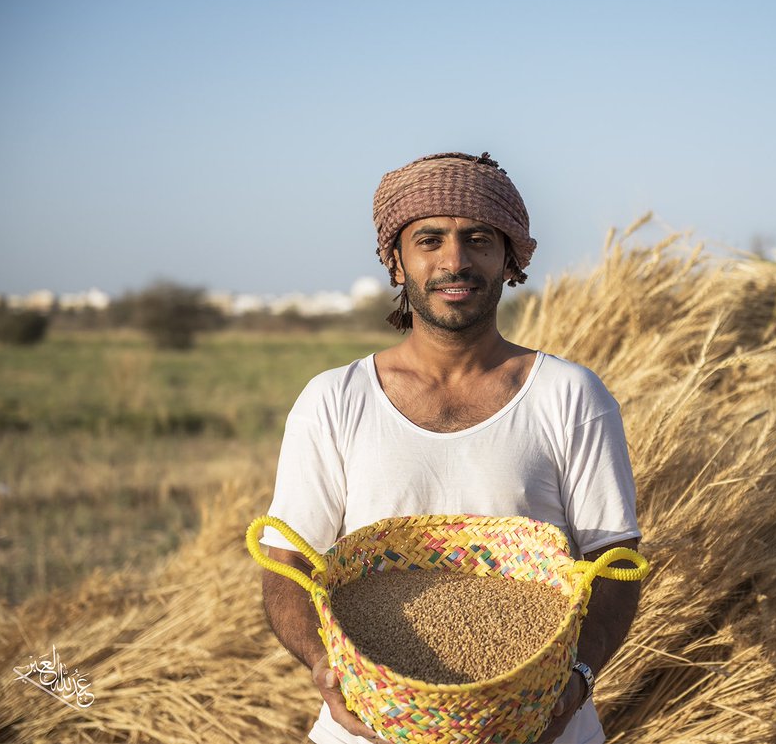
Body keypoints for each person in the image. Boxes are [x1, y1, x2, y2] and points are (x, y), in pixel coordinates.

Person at [258, 151, 642, 744]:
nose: (455, 261)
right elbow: (288, 565)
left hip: (539, 726)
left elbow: (614, 560)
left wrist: (576, 681)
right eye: (430, 240)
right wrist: (324, 666)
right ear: (396, 260)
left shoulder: (570, 395)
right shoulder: (334, 399)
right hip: (372, 726)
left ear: (510, 258)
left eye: (479, 239)